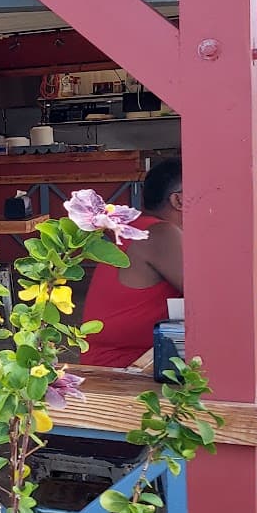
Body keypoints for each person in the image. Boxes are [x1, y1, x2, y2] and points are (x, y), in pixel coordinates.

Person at [78, 157, 184, 368]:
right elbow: (211, 300)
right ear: (178, 201)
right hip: (125, 370)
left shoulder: (138, 227)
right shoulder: (160, 233)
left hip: (123, 361)